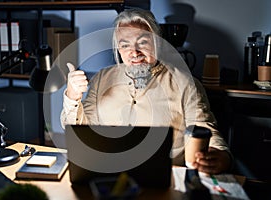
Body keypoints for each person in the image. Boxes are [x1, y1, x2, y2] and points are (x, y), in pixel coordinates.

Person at [60, 8, 233, 175]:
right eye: (125, 45)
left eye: (143, 42)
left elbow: (203, 129)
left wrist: (219, 154)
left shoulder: (184, 82)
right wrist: (72, 96)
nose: (134, 53)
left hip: (164, 178)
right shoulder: (101, 79)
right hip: (109, 173)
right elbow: (80, 129)